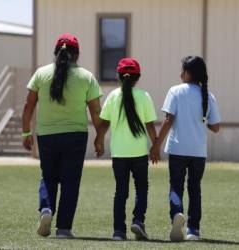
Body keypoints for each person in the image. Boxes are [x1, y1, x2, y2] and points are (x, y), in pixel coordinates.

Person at [22, 33, 103, 238]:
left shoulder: (41, 74)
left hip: (47, 135)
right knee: (70, 182)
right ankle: (64, 229)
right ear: (77, 54)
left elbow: (28, 105)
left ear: (56, 52)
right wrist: (99, 137)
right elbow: (96, 113)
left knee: (48, 176)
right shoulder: (87, 77)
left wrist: (25, 132)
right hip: (76, 136)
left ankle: (46, 209)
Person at [150, 56, 221, 241]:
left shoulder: (175, 91)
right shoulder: (209, 95)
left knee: (176, 186)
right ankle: (193, 230)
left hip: (177, 148)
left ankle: (176, 215)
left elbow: (168, 120)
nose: (180, 74)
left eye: (182, 70)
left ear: (188, 73)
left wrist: (156, 144)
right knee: (194, 188)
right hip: (198, 151)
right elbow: (215, 127)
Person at [95, 58, 157, 241]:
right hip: (139, 154)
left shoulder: (113, 96)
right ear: (137, 77)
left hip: (119, 154)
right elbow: (150, 126)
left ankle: (118, 231)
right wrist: (156, 146)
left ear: (118, 77)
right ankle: (138, 220)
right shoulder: (144, 96)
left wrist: (98, 142)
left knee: (120, 191)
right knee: (142, 188)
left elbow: (104, 124)